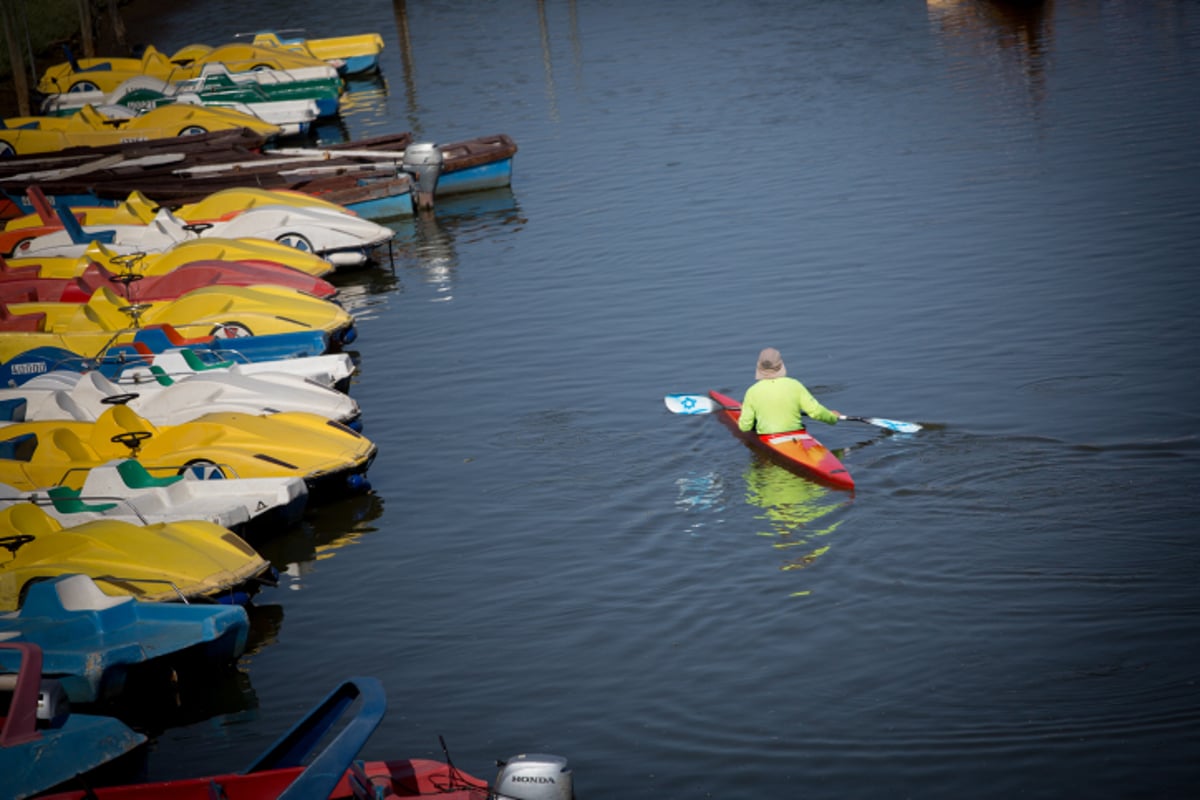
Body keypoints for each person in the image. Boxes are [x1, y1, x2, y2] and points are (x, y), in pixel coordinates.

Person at [737, 347, 842, 435]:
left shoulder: (752, 391)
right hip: (797, 435)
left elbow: (744, 427)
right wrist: (832, 417)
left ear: (759, 367)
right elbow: (816, 412)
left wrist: (744, 412)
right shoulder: (795, 385)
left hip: (768, 437)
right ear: (781, 365)